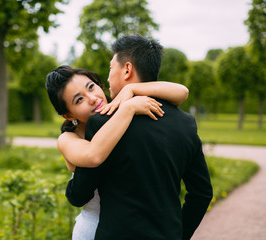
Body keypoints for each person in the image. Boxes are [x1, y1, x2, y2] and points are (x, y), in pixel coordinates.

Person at [65, 34, 213, 240]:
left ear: (127, 69)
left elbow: (79, 195)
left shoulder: (102, 123)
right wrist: (179, 235)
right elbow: (202, 193)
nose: (107, 79)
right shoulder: (186, 123)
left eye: (110, 68)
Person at [46, 65, 189, 239]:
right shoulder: (68, 139)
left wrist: (131, 88)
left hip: (133, 228)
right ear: (68, 116)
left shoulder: (121, 101)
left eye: (91, 87)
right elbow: (93, 155)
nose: (92, 98)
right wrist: (129, 109)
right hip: (92, 230)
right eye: (79, 100)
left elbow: (181, 92)